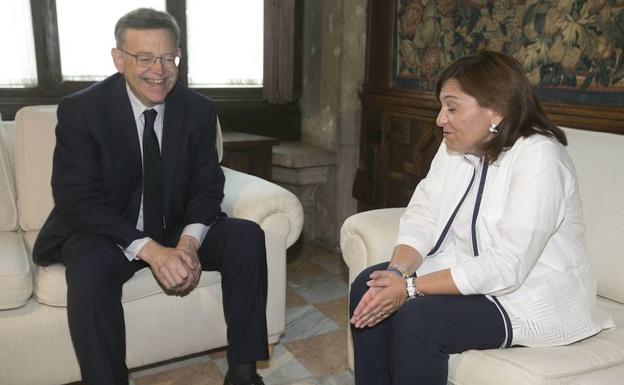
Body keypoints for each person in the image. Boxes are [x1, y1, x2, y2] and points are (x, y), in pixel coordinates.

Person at [33, 8, 267, 385]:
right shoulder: (82, 110)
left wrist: (188, 244)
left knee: (246, 235)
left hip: (172, 225)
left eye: (168, 57)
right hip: (109, 232)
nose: (158, 70)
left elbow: (209, 187)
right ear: (119, 59)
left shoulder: (199, 109)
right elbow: (76, 199)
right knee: (87, 262)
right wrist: (152, 251)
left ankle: (243, 372)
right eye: (144, 58)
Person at [349, 51, 614, 385]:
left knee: (419, 320)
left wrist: (410, 288)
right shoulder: (455, 148)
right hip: (471, 274)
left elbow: (507, 265)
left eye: (452, 107)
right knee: (367, 286)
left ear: (496, 110)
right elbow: (423, 214)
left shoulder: (540, 157)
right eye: (441, 107)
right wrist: (396, 273)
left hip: (528, 291)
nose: (440, 119)